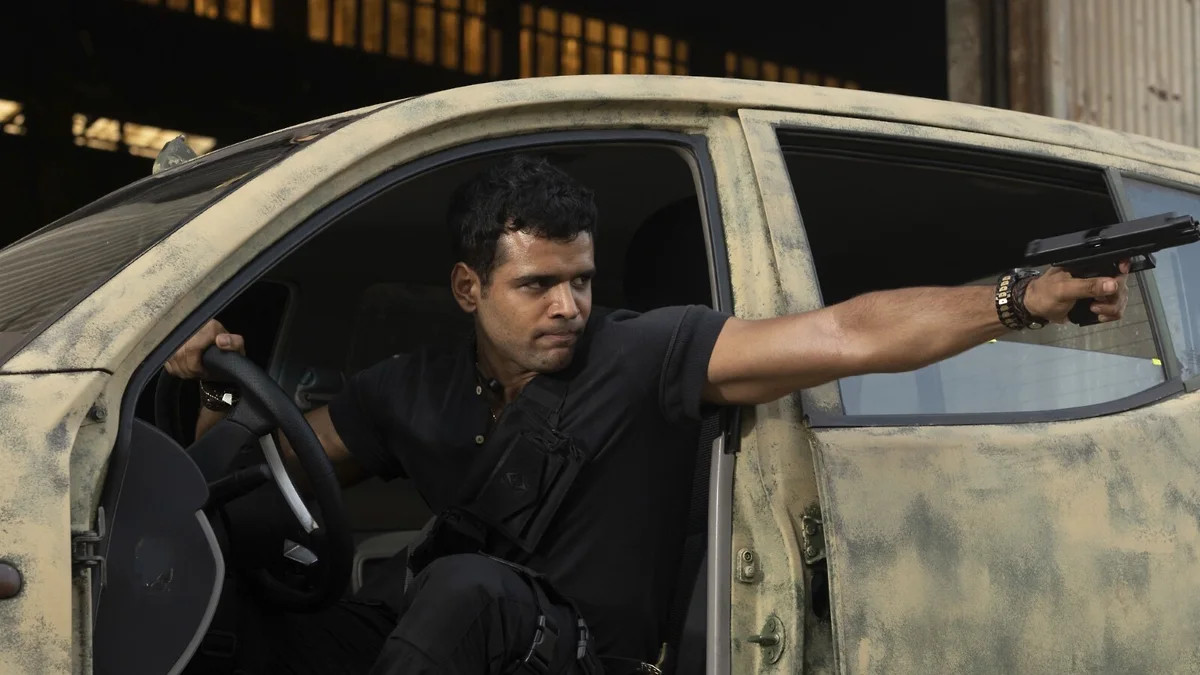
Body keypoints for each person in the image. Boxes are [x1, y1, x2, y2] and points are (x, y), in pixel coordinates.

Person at [170, 154, 1129, 674]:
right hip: (443, 632)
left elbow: (844, 333)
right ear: (469, 288)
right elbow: (261, 478)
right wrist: (218, 386)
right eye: (537, 284)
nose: (567, 306)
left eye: (581, 280)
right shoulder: (404, 388)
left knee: (466, 589)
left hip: (575, 652)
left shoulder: (645, 353)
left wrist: (1018, 299)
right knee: (231, 612)